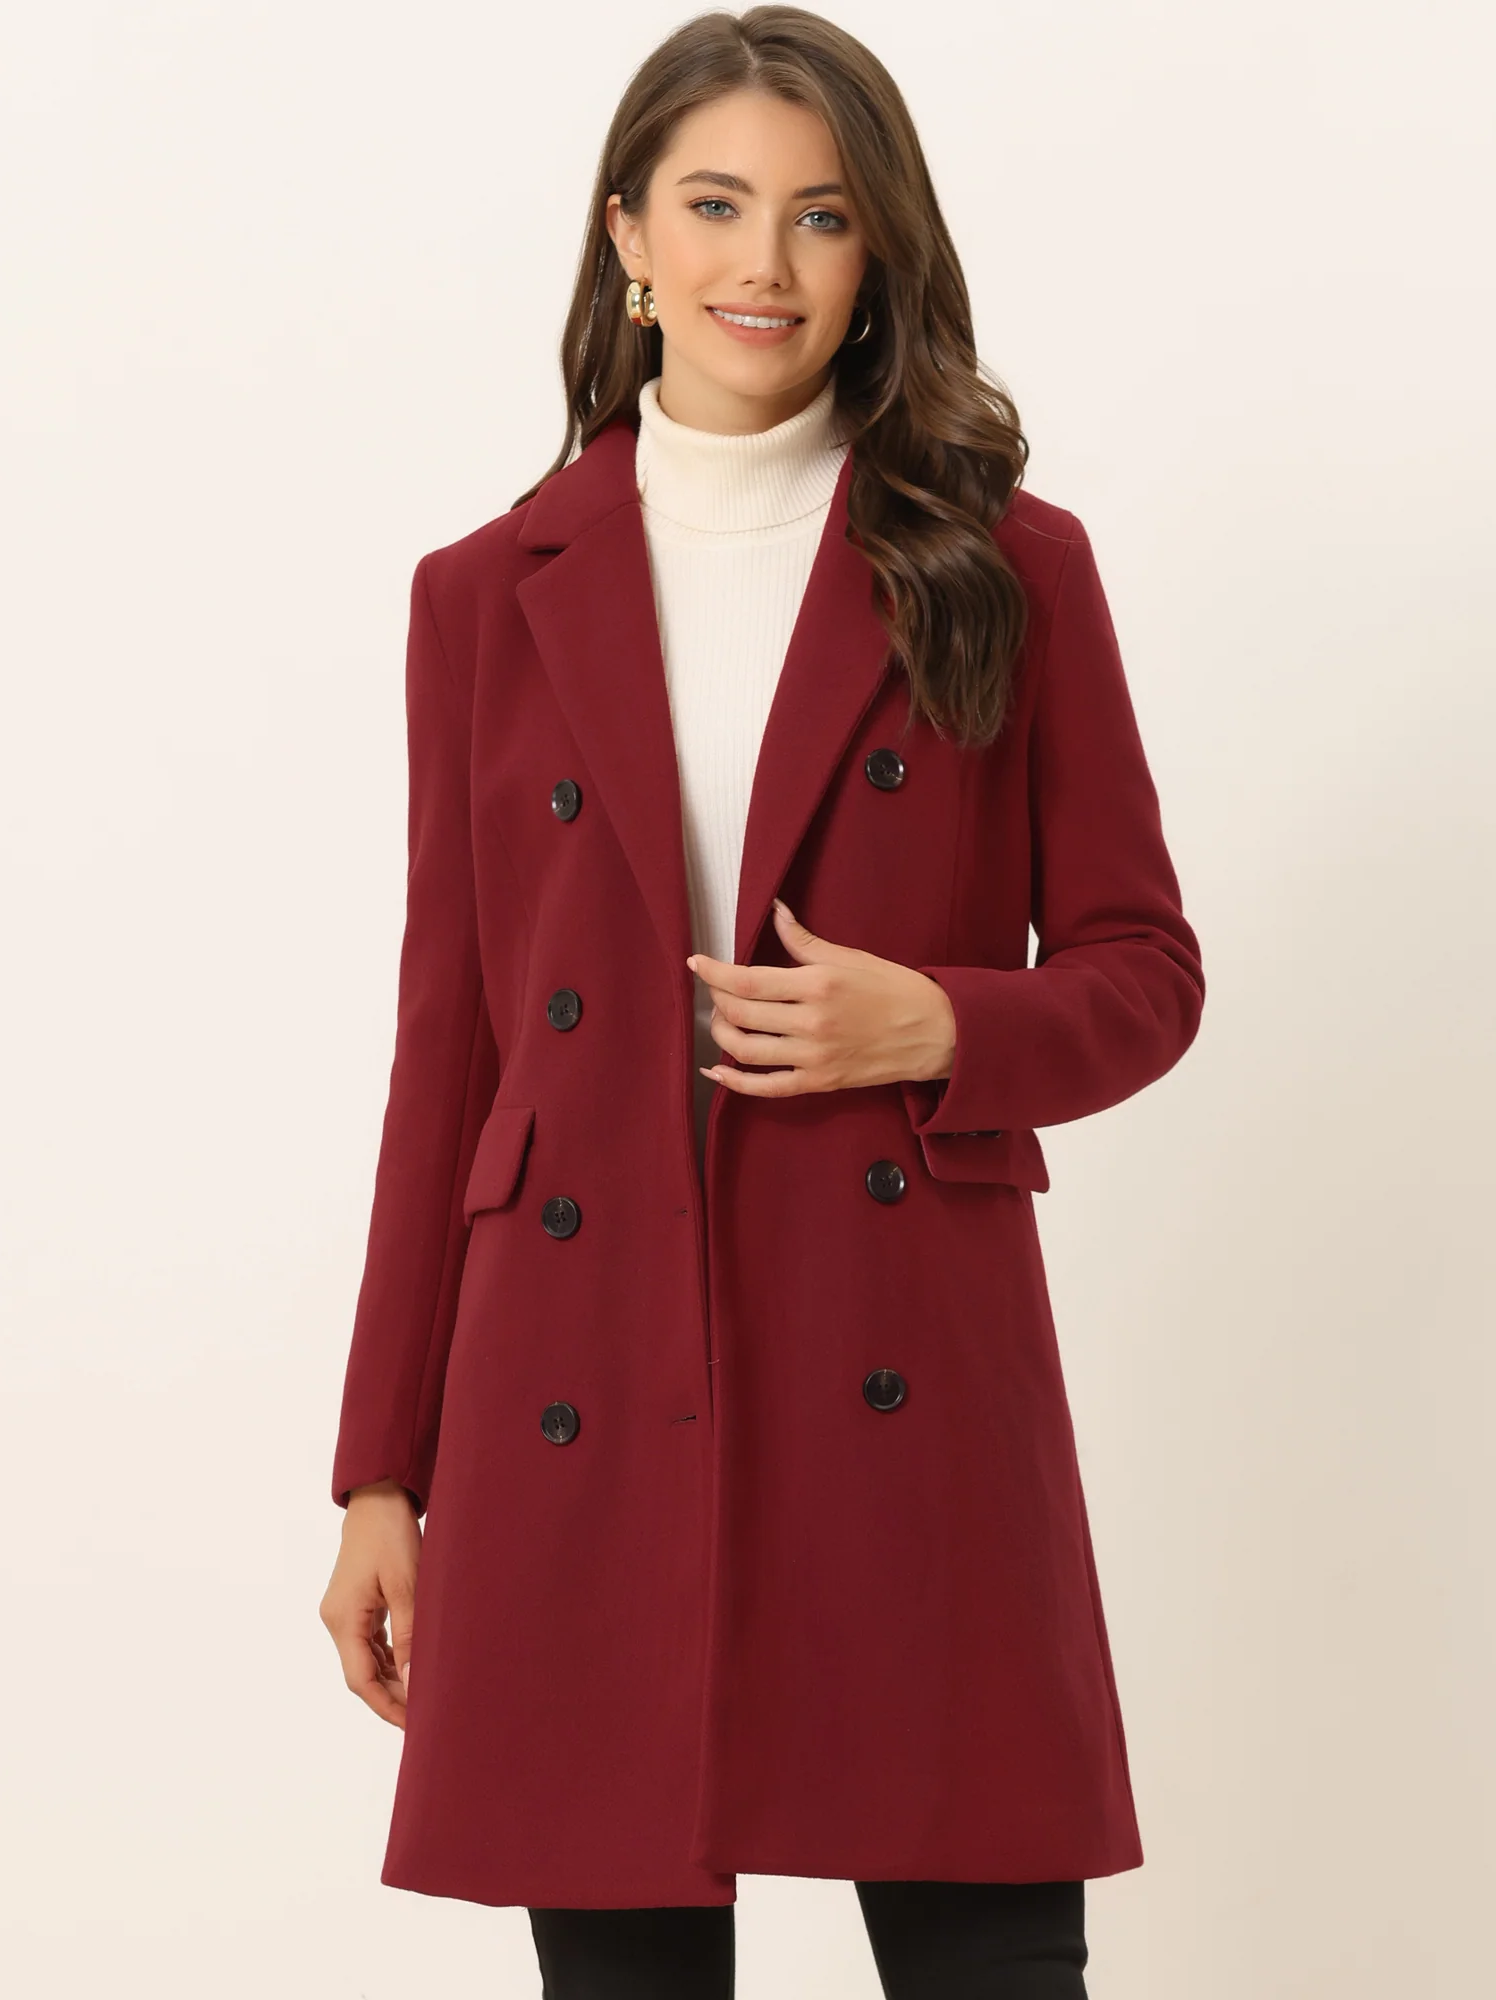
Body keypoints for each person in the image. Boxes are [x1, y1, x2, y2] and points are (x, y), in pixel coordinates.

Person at [318, 8, 1205, 1995]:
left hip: (903, 1358)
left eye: (820, 216)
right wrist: (383, 1468)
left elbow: (1146, 969)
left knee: (994, 1963)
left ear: (878, 251)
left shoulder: (1003, 564)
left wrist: (948, 1026)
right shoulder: (486, 591)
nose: (765, 266)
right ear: (627, 234)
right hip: (576, 1367)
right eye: (715, 206)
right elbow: (449, 1052)